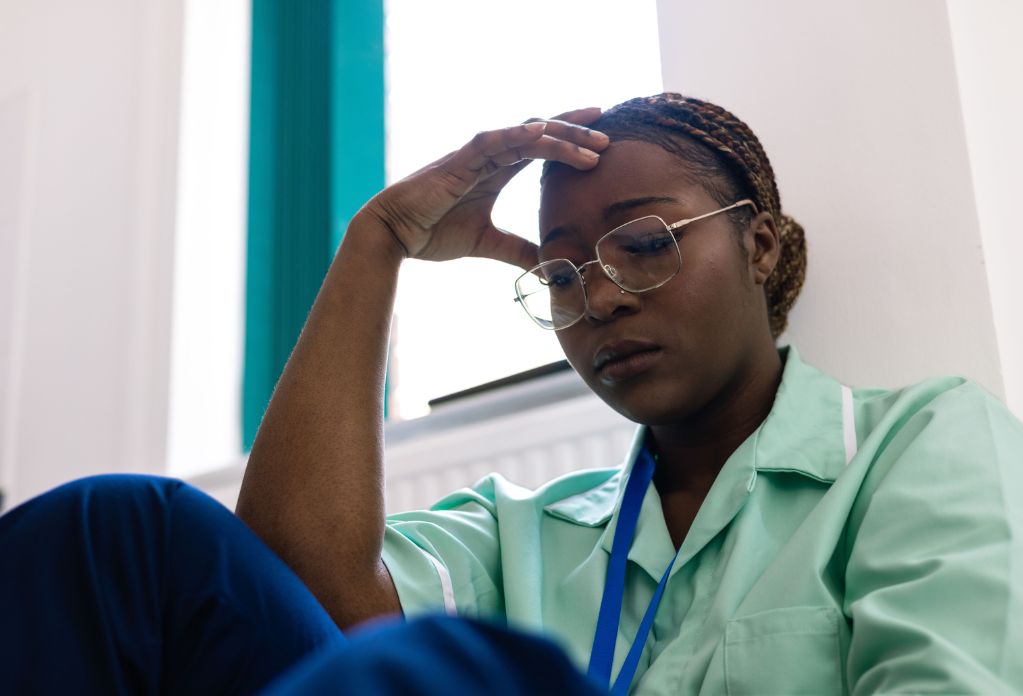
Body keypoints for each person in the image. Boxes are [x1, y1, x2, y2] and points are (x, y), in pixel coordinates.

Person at [2, 93, 1022, 694]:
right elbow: (300, 589)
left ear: (758, 245)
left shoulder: (913, 447)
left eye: (644, 244)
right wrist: (380, 243)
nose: (601, 298)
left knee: (439, 661)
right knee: (119, 532)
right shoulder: (522, 533)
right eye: (564, 274)